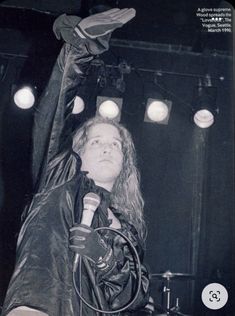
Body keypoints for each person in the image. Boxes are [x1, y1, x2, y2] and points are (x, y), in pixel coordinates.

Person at [1, 8, 150, 316]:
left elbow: (132, 299)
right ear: (77, 152)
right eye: (96, 141)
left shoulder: (128, 230)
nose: (107, 148)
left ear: (126, 162)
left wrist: (106, 259)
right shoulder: (61, 177)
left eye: (115, 144)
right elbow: (53, 112)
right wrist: (80, 48)